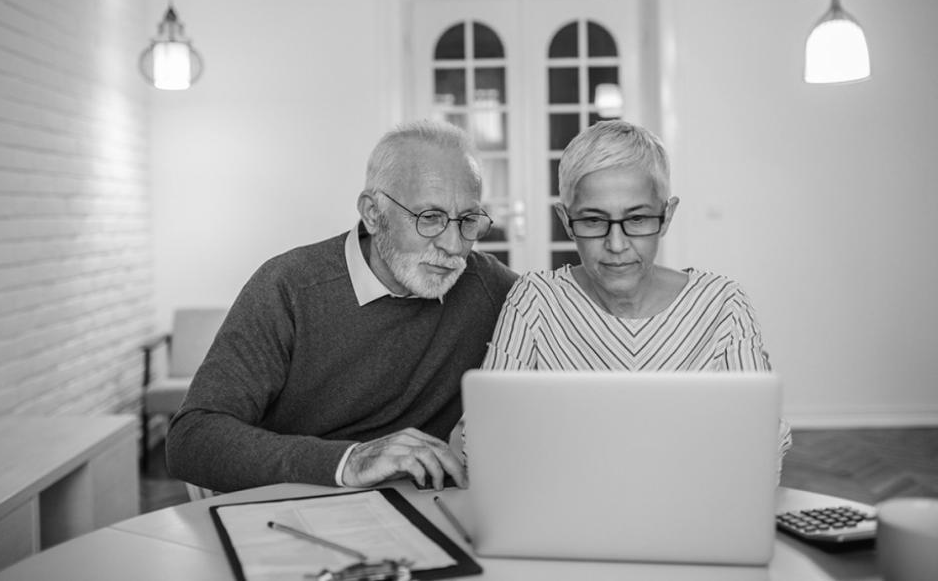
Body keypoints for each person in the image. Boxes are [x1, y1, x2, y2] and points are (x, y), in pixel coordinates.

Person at [166, 119, 518, 492]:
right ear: (371, 212)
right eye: (429, 218)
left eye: (468, 220)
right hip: (290, 505)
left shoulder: (488, 286)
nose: (452, 244)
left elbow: (565, 305)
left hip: (415, 510)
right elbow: (192, 438)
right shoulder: (290, 287)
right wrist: (349, 460)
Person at [477, 120, 792, 469]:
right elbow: (485, 436)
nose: (616, 245)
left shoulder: (723, 306)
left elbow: (762, 444)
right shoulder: (534, 301)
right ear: (566, 221)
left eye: (638, 219)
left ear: (667, 215)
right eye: (594, 221)